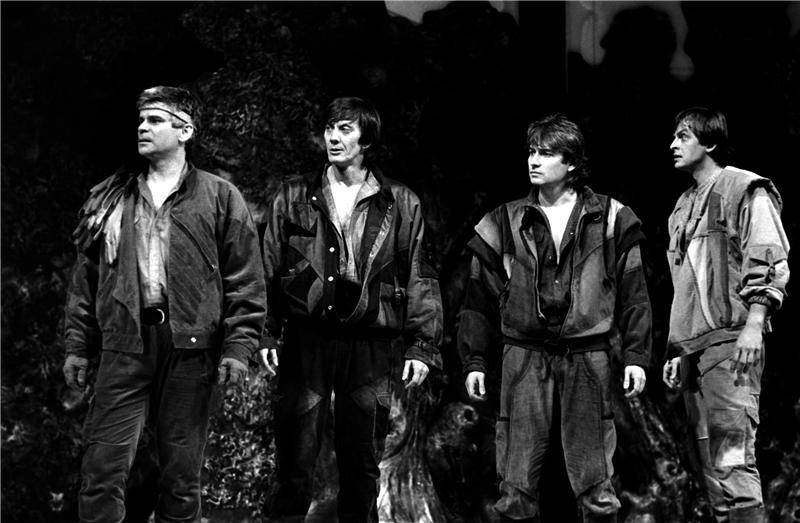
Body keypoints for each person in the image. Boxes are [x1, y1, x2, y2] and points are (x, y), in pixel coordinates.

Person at [63, 85, 267, 523]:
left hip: (190, 349)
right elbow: (86, 279)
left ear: (185, 130)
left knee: (181, 478)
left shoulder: (219, 196)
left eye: (155, 120)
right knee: (101, 472)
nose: (143, 127)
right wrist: (78, 345)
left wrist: (238, 347)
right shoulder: (112, 198)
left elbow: (245, 279)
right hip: (124, 345)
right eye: (140, 120)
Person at [459, 114, 653, 523]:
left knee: (595, 479)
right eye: (532, 151)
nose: (534, 160)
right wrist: (474, 359)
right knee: (516, 480)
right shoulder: (505, 220)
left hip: (587, 355)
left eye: (546, 153)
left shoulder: (611, 217)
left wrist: (636, 355)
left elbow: (635, 292)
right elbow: (477, 298)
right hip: (523, 356)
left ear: (572, 163)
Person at [258, 96, 444, 522]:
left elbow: (418, 273)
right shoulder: (294, 194)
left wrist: (422, 345)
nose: (334, 137)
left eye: (345, 129)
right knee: (293, 464)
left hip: (369, 341)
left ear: (367, 139)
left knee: (362, 466)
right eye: (330, 128)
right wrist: (266, 330)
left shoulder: (400, 201)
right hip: (307, 339)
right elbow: (266, 264)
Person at [662, 107, 789, 523]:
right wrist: (678, 350)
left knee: (733, 463)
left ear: (711, 142)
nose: (673, 144)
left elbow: (767, 255)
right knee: (711, 474)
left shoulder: (743, 187)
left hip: (731, 346)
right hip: (695, 353)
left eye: (683, 136)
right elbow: (685, 285)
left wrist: (755, 323)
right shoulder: (682, 207)